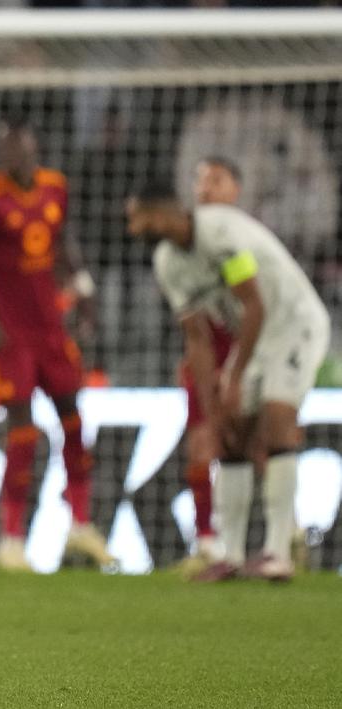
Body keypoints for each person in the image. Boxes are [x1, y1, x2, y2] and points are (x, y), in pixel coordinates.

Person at [127, 182, 330, 582]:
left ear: (163, 212)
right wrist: (212, 407)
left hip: (293, 325)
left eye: (138, 217)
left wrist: (234, 375)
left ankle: (278, 552)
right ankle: (231, 555)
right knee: (232, 431)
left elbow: (253, 303)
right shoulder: (169, 262)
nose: (134, 228)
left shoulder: (219, 234)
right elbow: (197, 339)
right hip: (252, 339)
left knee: (275, 421)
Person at [0, 115, 114, 573]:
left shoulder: (56, 187)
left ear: (33, 146)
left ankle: (80, 524)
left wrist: (86, 294)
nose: (10, 155)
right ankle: (11, 540)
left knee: (74, 421)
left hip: (52, 329)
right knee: (22, 431)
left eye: (16, 146)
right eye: (2, 149)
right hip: (10, 336)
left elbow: (63, 244)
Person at [175, 156, 242, 573]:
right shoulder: (185, 246)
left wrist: (237, 366)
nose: (205, 188)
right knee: (201, 445)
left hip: (250, 353)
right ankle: (206, 543)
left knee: (259, 447)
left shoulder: (248, 241)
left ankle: (283, 536)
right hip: (204, 355)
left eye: (216, 180)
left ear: (236, 189)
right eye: (199, 180)